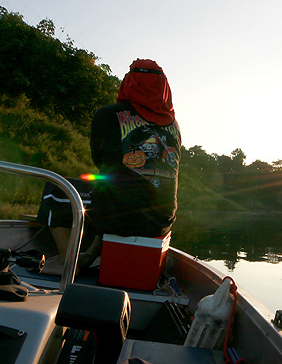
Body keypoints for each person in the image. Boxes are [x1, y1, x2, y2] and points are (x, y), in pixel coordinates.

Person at [37, 59, 181, 270]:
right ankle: (90, 255)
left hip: (121, 215)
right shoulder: (174, 125)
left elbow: (100, 161)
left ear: (129, 83)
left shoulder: (107, 114)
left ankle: (65, 261)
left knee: (56, 188)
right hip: (161, 220)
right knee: (114, 191)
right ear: (164, 89)